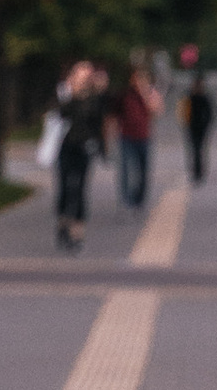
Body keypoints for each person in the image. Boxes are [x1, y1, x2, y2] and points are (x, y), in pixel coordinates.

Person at [52, 60, 110, 253]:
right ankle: (63, 222)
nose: (83, 78)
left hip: (84, 147)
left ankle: (77, 232)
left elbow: (100, 122)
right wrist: (71, 94)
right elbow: (60, 114)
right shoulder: (65, 94)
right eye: (79, 74)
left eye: (86, 75)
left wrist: (102, 148)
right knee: (65, 187)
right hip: (65, 147)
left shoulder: (96, 98)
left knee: (80, 189)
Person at [114, 60, 161, 210]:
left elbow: (156, 111)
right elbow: (114, 114)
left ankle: (139, 198)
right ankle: (126, 199)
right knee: (126, 169)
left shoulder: (151, 93)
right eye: (136, 78)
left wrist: (145, 94)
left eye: (142, 78)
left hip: (144, 137)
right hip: (126, 137)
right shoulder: (125, 95)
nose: (139, 81)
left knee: (143, 170)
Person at [183, 65, 216, 183]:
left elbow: (211, 113)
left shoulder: (204, 97)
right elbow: (184, 110)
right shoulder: (190, 96)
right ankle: (196, 171)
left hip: (202, 126)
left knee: (200, 148)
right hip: (192, 126)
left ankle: (199, 171)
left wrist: (207, 123)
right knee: (195, 149)